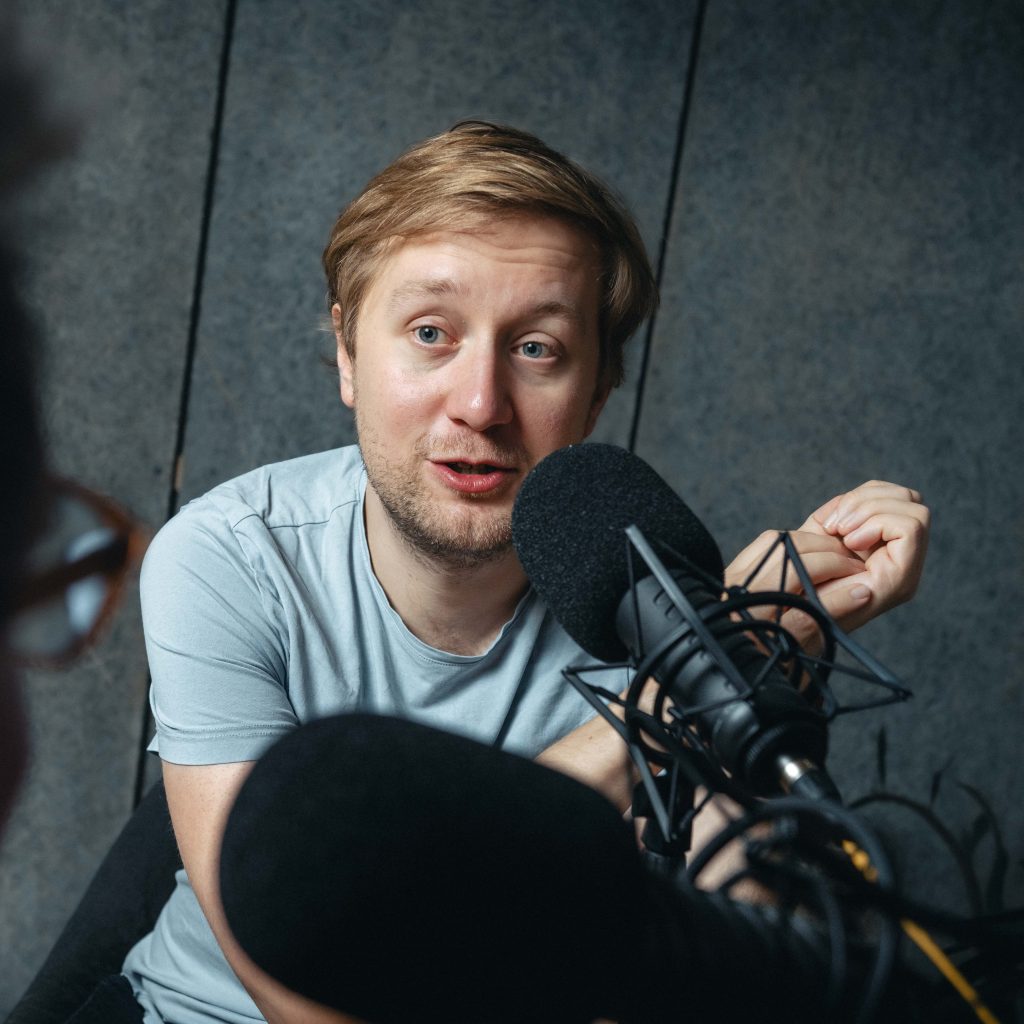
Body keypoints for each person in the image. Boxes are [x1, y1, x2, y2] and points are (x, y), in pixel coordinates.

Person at [111, 121, 928, 1024]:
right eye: (431, 333)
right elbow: (299, 1002)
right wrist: (673, 704)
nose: (480, 404)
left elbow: (738, 952)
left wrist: (751, 671)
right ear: (348, 354)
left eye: (537, 348)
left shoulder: (653, 596)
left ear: (598, 391)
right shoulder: (230, 558)